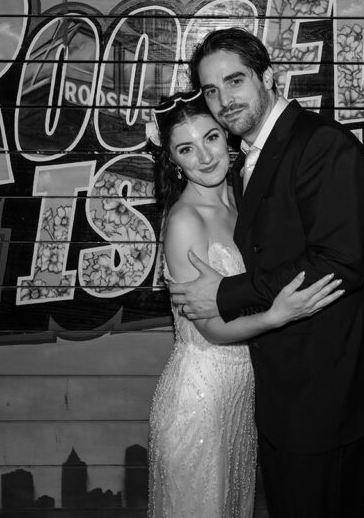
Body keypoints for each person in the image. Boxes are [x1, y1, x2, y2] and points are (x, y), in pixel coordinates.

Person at [169, 28, 364, 518]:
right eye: (212, 91)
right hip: (280, 397)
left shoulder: (324, 145)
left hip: (326, 394)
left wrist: (228, 293)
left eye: (235, 81)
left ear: (269, 77)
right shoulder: (242, 162)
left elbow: (339, 262)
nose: (223, 101)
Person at [146, 90, 344, 518]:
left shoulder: (242, 201)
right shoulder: (184, 220)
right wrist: (279, 315)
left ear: (227, 136)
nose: (203, 157)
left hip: (241, 396)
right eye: (186, 149)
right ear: (172, 161)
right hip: (200, 399)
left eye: (211, 138)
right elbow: (209, 329)